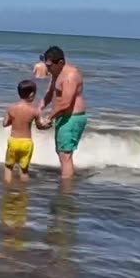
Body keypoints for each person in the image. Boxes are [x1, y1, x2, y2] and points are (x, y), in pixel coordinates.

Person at [42, 46, 88, 182]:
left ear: (60, 62)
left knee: (65, 155)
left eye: (49, 66)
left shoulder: (70, 76)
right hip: (64, 117)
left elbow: (66, 103)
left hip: (72, 118)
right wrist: (41, 106)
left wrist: (49, 118)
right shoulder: (57, 72)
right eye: (46, 65)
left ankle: (66, 189)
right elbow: (51, 92)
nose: (47, 69)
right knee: (62, 152)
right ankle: (67, 180)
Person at [3, 80, 51, 183]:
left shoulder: (11, 108)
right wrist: (47, 126)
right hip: (27, 143)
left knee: (8, 167)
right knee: (24, 170)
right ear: (32, 94)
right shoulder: (35, 111)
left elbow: (5, 124)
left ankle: (7, 189)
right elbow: (40, 126)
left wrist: (13, 120)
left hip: (14, 141)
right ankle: (24, 191)